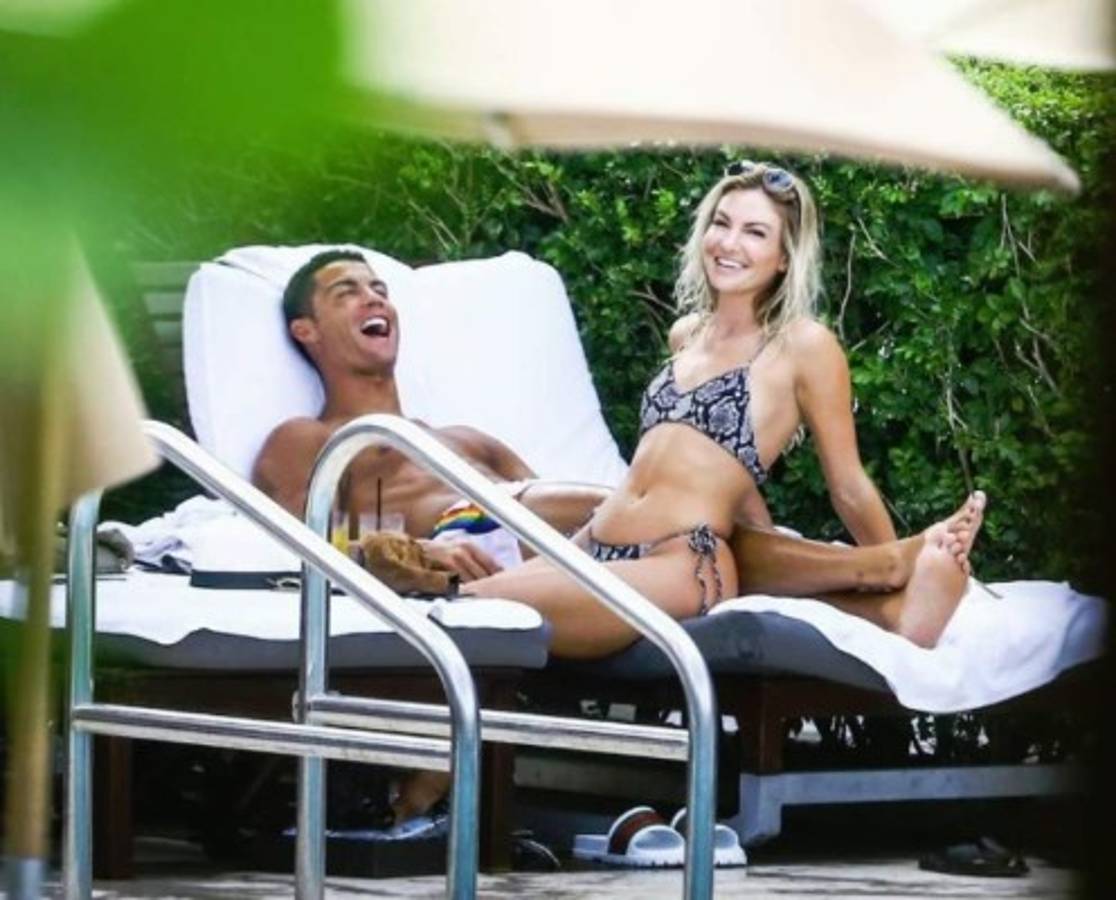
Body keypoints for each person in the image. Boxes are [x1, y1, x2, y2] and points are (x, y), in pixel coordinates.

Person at [461, 161, 985, 658]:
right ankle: (886, 605)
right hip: (597, 541)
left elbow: (847, 485)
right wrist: (770, 545)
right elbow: (727, 481)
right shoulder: (686, 335)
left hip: (679, 561)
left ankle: (895, 579)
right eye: (721, 223)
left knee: (475, 609)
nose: (729, 243)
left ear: (784, 257)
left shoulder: (802, 345)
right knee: (454, 601)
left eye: (755, 232)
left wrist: (891, 563)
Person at [251, 248, 611, 580]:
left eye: (379, 290)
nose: (374, 298)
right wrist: (417, 554)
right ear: (306, 330)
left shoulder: (467, 439)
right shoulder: (313, 438)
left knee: (634, 532)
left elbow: (543, 493)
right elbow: (302, 546)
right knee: (624, 511)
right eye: (346, 293)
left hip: (533, 550)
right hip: (459, 539)